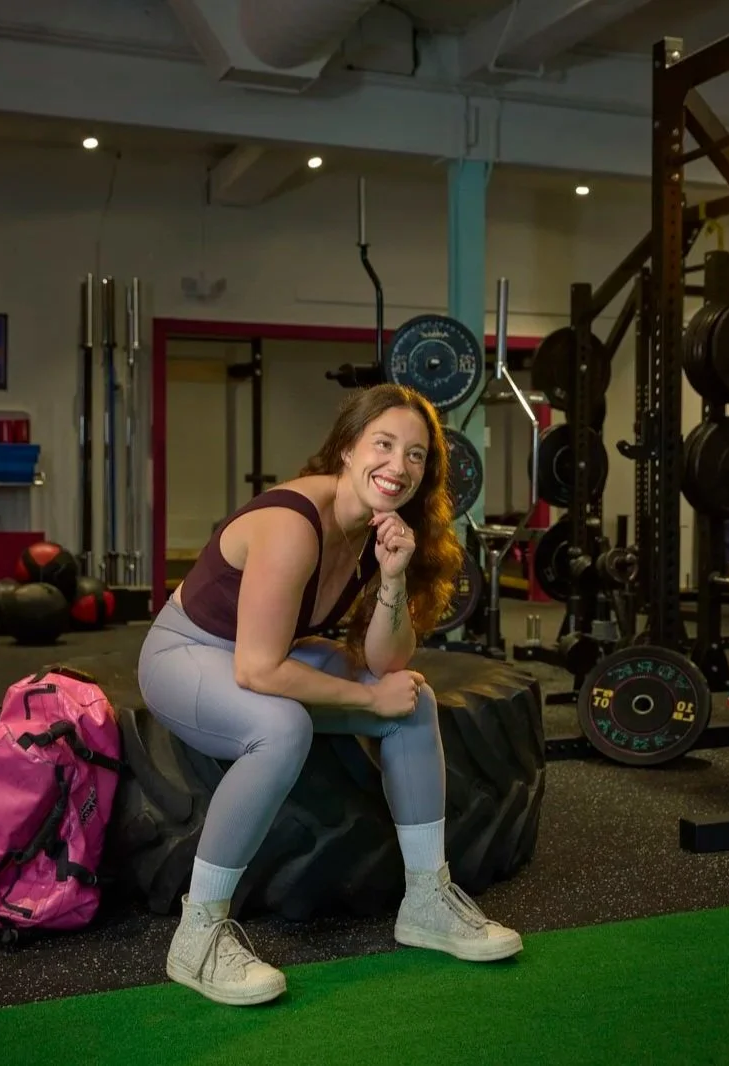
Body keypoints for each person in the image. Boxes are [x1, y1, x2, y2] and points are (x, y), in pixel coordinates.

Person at [137, 382, 523, 1008]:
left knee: (413, 700)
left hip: (267, 651)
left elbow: (388, 661)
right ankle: (198, 933)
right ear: (347, 448)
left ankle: (426, 899)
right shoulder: (293, 524)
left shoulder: (377, 529)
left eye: (416, 454)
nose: (398, 465)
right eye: (383, 444)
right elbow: (259, 671)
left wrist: (392, 578)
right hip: (188, 654)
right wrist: (366, 703)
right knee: (282, 727)